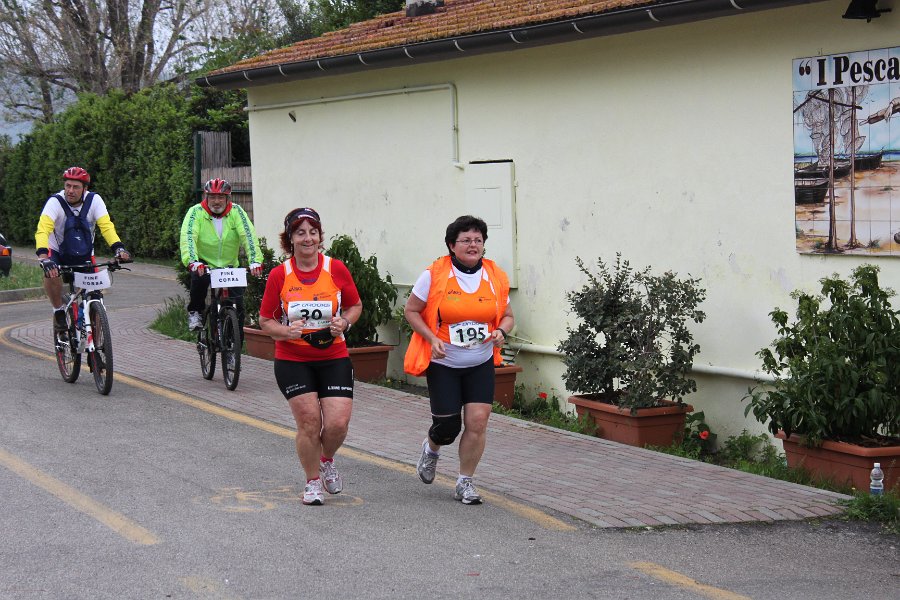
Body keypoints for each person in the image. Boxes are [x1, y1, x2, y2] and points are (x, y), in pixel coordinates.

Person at [404, 215, 515, 505]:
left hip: (479, 362)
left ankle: (465, 482)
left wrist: (501, 331)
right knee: (448, 428)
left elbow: (508, 315)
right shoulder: (435, 274)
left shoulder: (495, 276)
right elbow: (412, 311)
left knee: (477, 423)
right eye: (466, 240)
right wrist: (432, 339)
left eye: (478, 240)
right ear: (452, 245)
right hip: (444, 363)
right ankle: (431, 449)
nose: (473, 244)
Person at [258, 207, 363, 506]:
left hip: (334, 356)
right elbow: (266, 320)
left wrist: (345, 322)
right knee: (308, 422)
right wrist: (284, 331)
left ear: (320, 236)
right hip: (293, 360)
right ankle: (312, 481)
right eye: (300, 232)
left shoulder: (336, 269)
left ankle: (326, 459)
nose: (308, 238)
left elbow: (355, 305)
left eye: (313, 232)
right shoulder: (280, 275)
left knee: (338, 424)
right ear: (289, 239)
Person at [35, 167, 132, 332]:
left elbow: (106, 227)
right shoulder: (55, 202)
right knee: (50, 273)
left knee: (96, 297)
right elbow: (43, 229)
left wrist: (119, 248)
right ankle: (58, 310)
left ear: (85, 189)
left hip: (84, 253)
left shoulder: (95, 201)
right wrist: (44, 257)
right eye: (68, 186)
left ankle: (93, 336)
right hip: (57, 251)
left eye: (75, 187)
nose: (70, 191)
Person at [179, 178, 263, 332]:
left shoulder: (236, 211)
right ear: (206, 197)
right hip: (204, 264)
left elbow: (248, 235)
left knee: (238, 306)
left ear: (227, 198)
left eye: (220, 197)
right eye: (212, 197)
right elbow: (188, 236)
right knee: (199, 279)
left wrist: (256, 261)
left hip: (230, 265)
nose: (216, 201)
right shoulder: (195, 212)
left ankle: (234, 344)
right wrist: (193, 261)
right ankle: (195, 312)